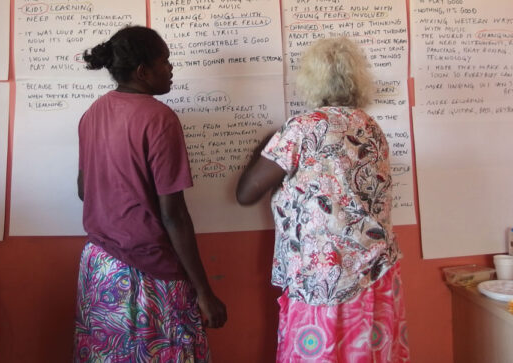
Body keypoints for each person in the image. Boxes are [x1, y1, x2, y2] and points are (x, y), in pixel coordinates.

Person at [236, 37, 409, 362]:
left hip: (325, 279)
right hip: (377, 273)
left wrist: (267, 144)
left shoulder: (303, 130)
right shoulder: (371, 127)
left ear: (309, 80)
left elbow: (245, 194)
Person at [74, 25, 226, 362]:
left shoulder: (92, 114)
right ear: (143, 72)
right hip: (149, 275)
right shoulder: (160, 119)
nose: (171, 68)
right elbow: (174, 215)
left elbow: (85, 190)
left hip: (100, 269)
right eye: (165, 61)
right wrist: (204, 292)